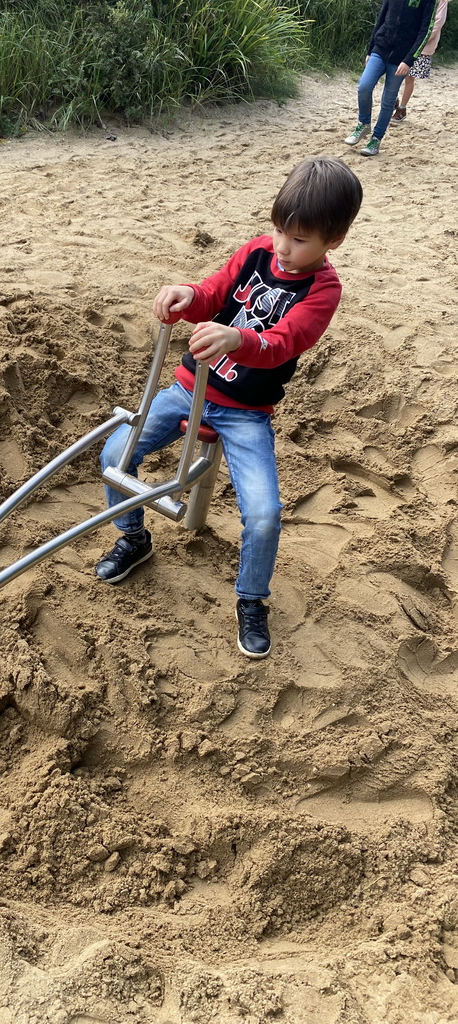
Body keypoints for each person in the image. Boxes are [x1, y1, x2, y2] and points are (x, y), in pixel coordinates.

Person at [94, 157, 363, 660]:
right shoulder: (256, 253)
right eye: (279, 230)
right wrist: (187, 295)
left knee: (263, 514)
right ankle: (133, 539)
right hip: (187, 389)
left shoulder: (323, 291)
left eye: (300, 239)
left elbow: (285, 340)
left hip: (246, 413)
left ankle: (251, 598)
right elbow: (215, 293)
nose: (283, 246)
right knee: (114, 455)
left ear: (333, 241)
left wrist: (236, 337)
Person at [344, 0, 438, 157]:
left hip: (401, 58)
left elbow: (425, 31)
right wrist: (370, 49)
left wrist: (409, 60)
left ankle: (376, 139)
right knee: (364, 86)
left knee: (388, 101)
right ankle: (363, 124)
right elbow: (381, 18)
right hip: (380, 49)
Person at [392, 0, 451, 124]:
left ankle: (402, 108)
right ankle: (393, 99)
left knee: (409, 77)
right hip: (405, 41)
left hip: (423, 46)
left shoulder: (441, 1)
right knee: (394, 71)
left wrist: (421, 40)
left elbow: (438, 23)